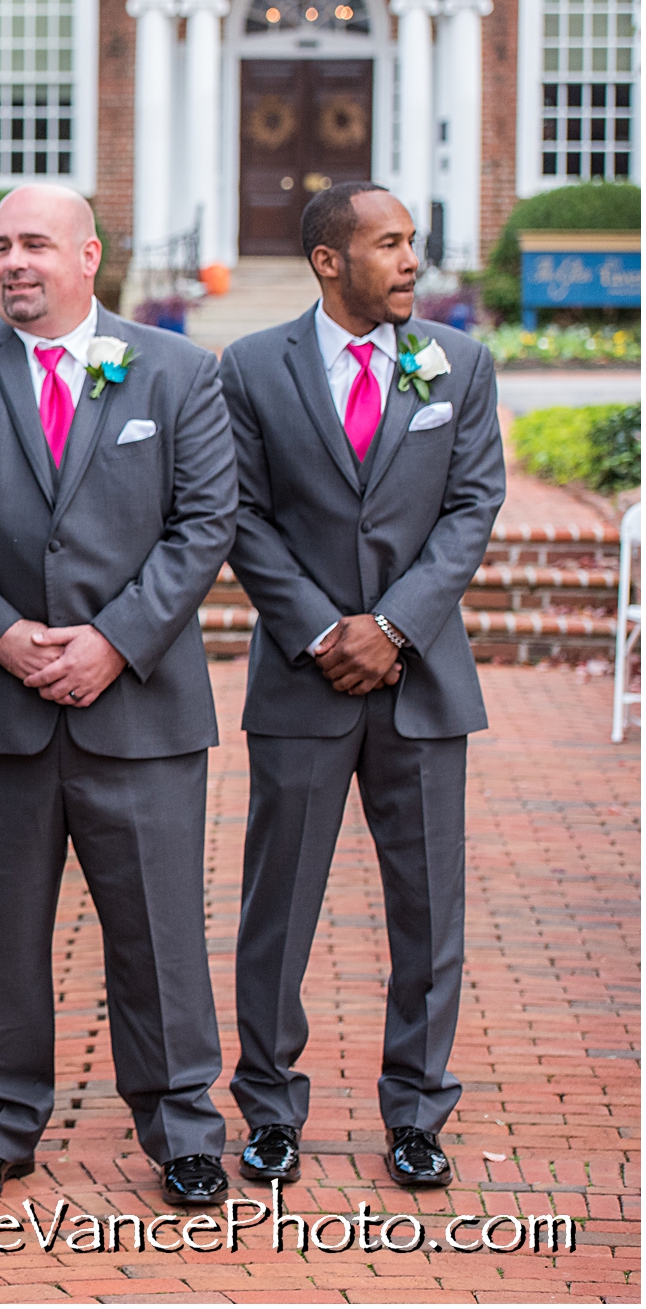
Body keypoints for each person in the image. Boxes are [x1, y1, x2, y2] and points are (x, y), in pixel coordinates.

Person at [0, 184, 238, 1209]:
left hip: (137, 706)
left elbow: (202, 524)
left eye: (36, 244)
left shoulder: (178, 372)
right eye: (2, 245)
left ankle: (182, 1125)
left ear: (88, 257)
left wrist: (113, 639)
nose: (14, 261)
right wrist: (0, 634)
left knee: (155, 926)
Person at [220, 182, 505, 1190]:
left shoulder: (457, 363)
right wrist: (317, 628)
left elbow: (473, 503)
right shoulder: (251, 368)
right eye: (388, 244)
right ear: (327, 259)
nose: (409, 261)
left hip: (420, 678)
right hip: (300, 680)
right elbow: (240, 515)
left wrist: (390, 627)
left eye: (411, 243)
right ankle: (266, 1108)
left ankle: (417, 1111)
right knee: (275, 903)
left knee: (428, 905)